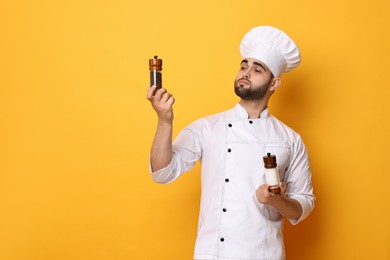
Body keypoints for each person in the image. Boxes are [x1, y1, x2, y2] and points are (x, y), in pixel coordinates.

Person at [146, 25, 315, 260]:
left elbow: (303, 204)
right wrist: (165, 121)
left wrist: (278, 201)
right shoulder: (207, 127)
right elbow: (162, 172)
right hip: (213, 254)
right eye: (243, 66)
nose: (245, 72)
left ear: (274, 84)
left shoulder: (290, 139)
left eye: (257, 69)